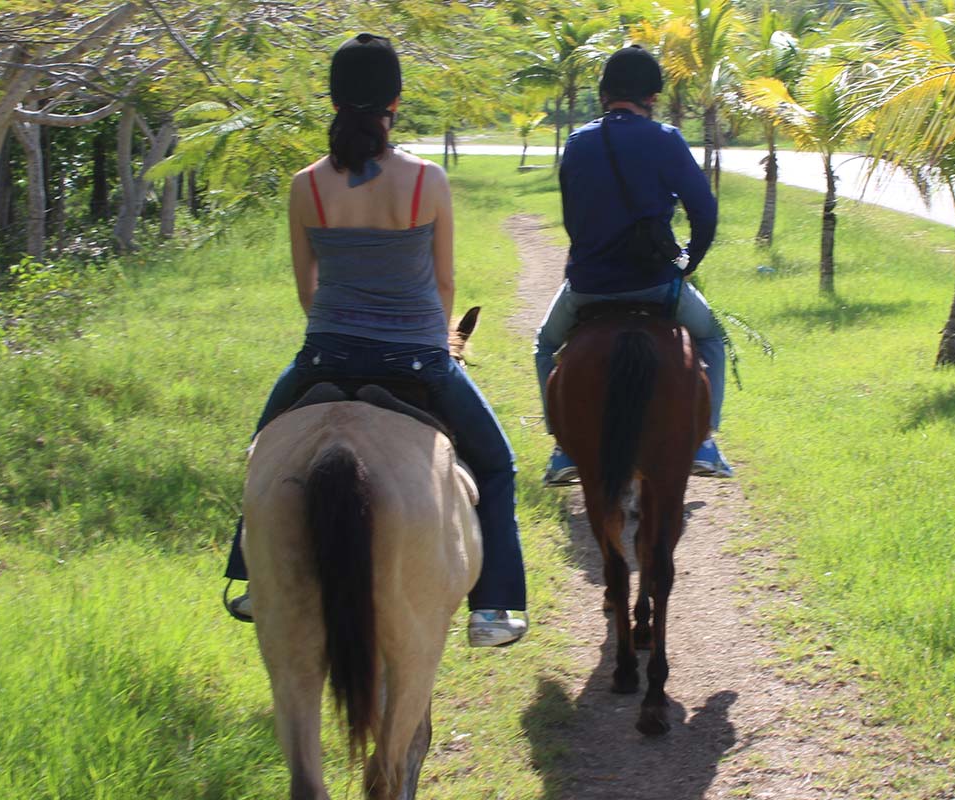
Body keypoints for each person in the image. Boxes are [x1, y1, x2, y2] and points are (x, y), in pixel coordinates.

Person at [222, 33, 527, 648]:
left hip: (324, 353)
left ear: (333, 99)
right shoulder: (425, 181)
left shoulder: (306, 185)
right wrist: (427, 341)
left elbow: (307, 289)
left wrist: (341, 331)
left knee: (262, 450)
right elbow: (444, 283)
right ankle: (492, 609)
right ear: (397, 98)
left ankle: (252, 574)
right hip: (418, 355)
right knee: (496, 466)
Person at [535, 44, 732, 487]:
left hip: (589, 287)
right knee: (711, 337)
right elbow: (706, 213)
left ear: (604, 94)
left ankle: (564, 449)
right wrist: (686, 263)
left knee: (545, 346)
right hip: (656, 286)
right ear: (652, 98)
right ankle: (704, 442)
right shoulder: (666, 139)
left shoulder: (578, 142)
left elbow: (573, 221)